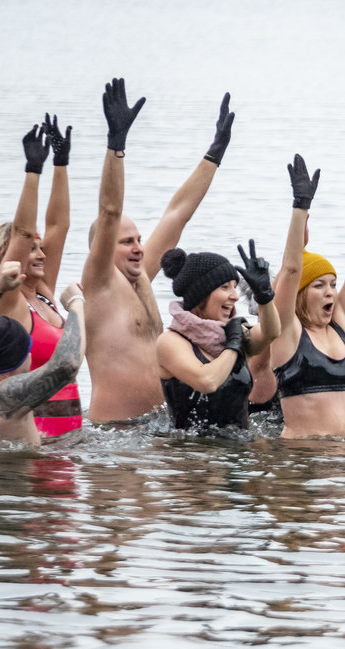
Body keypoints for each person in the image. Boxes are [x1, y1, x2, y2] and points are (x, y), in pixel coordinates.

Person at [81, 79, 235, 423]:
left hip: (154, 430)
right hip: (115, 434)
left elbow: (177, 213)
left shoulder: (141, 278)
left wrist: (215, 153)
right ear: (102, 249)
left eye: (138, 240)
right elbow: (109, 211)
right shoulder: (98, 284)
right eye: (126, 242)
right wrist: (116, 146)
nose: (139, 248)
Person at [270, 146, 345, 437]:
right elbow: (290, 270)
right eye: (319, 285)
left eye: (333, 284)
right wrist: (300, 207)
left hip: (344, 462)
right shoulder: (286, 330)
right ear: (300, 294)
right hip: (302, 464)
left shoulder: (341, 326)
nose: (331, 293)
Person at [0, 115, 81, 435]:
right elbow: (23, 233)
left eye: (41, 248)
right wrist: (33, 170)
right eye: (32, 250)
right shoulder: (8, 301)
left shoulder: (43, 292)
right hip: (36, 435)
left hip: (69, 435)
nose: (42, 254)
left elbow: (59, 226)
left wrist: (61, 163)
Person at [0, 261, 85, 444]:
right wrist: (76, 304)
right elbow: (67, 364)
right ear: (22, 359)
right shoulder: (7, 396)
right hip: (9, 471)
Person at [156, 241, 278, 430]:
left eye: (234, 287)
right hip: (190, 453)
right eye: (224, 287)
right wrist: (234, 344)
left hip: (238, 450)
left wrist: (265, 297)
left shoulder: (233, 332)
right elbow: (207, 381)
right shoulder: (171, 342)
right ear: (201, 294)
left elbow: (271, 332)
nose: (235, 296)